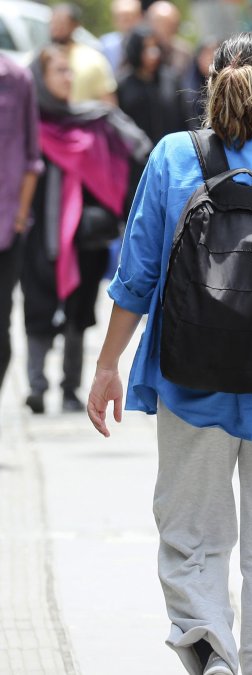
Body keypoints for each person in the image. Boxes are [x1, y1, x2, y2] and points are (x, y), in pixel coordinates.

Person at [85, 32, 252, 675]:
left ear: (211, 86)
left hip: (188, 377)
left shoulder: (174, 156)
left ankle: (209, 645)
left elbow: (137, 274)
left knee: (191, 537)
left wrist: (106, 365)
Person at [23, 46, 150, 415]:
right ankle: (36, 386)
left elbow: (141, 150)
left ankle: (69, 389)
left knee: (80, 310)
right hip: (38, 234)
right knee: (38, 306)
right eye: (59, 71)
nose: (68, 77)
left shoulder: (95, 118)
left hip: (85, 237)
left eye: (69, 70)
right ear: (39, 79)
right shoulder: (26, 123)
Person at [0, 53, 42, 426]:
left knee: (1, 322)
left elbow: (32, 155)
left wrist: (18, 214)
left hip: (6, 227)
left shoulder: (16, 78)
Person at [117, 25, 191, 144]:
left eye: (155, 46)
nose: (153, 53)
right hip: (138, 155)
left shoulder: (171, 79)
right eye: (146, 47)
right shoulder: (123, 85)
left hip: (171, 151)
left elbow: (185, 117)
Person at [49, 3, 118, 105]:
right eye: (54, 22)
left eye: (62, 23)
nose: (57, 28)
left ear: (75, 25)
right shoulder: (40, 60)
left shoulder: (93, 59)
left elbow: (109, 104)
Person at [146, 0, 193, 82]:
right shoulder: (141, 49)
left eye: (169, 25)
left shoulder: (184, 52)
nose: (164, 29)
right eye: (159, 24)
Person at [99, 0, 143, 73]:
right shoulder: (105, 45)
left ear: (140, 17)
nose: (125, 21)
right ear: (114, 20)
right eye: (120, 17)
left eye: (130, 17)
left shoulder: (147, 44)